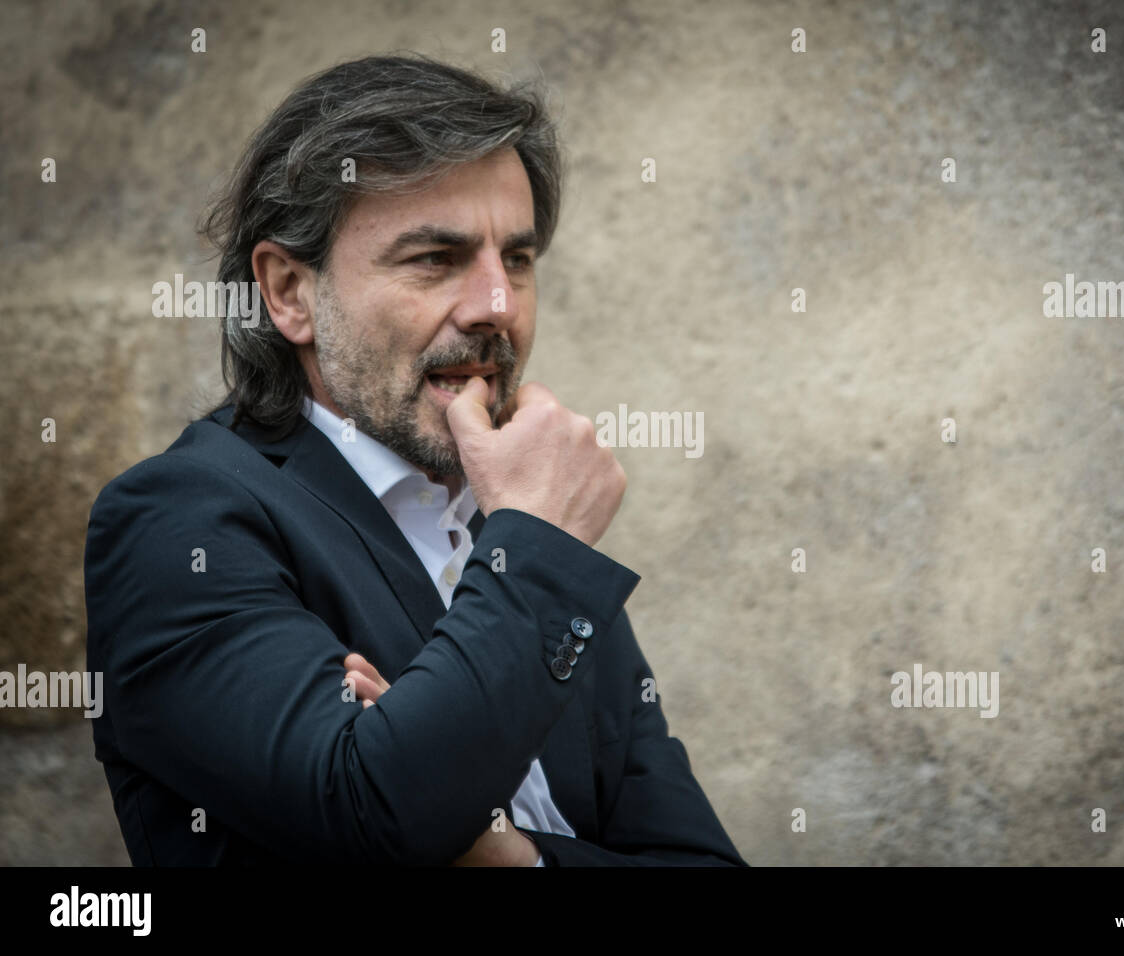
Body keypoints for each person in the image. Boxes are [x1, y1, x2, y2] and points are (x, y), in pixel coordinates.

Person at [83, 53, 745, 866]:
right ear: (290, 292)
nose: (497, 307)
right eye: (436, 259)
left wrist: (507, 857)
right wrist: (537, 554)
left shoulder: (518, 528)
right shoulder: (181, 520)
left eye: (520, 260)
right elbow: (371, 813)